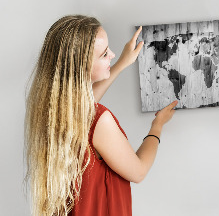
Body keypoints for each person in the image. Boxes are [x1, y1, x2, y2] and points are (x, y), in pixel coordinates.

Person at [24, 15, 177, 216]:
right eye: (105, 54)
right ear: (81, 67)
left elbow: (86, 106)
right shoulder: (99, 120)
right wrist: (157, 125)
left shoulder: (53, 110)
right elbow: (139, 171)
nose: (112, 54)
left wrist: (122, 63)